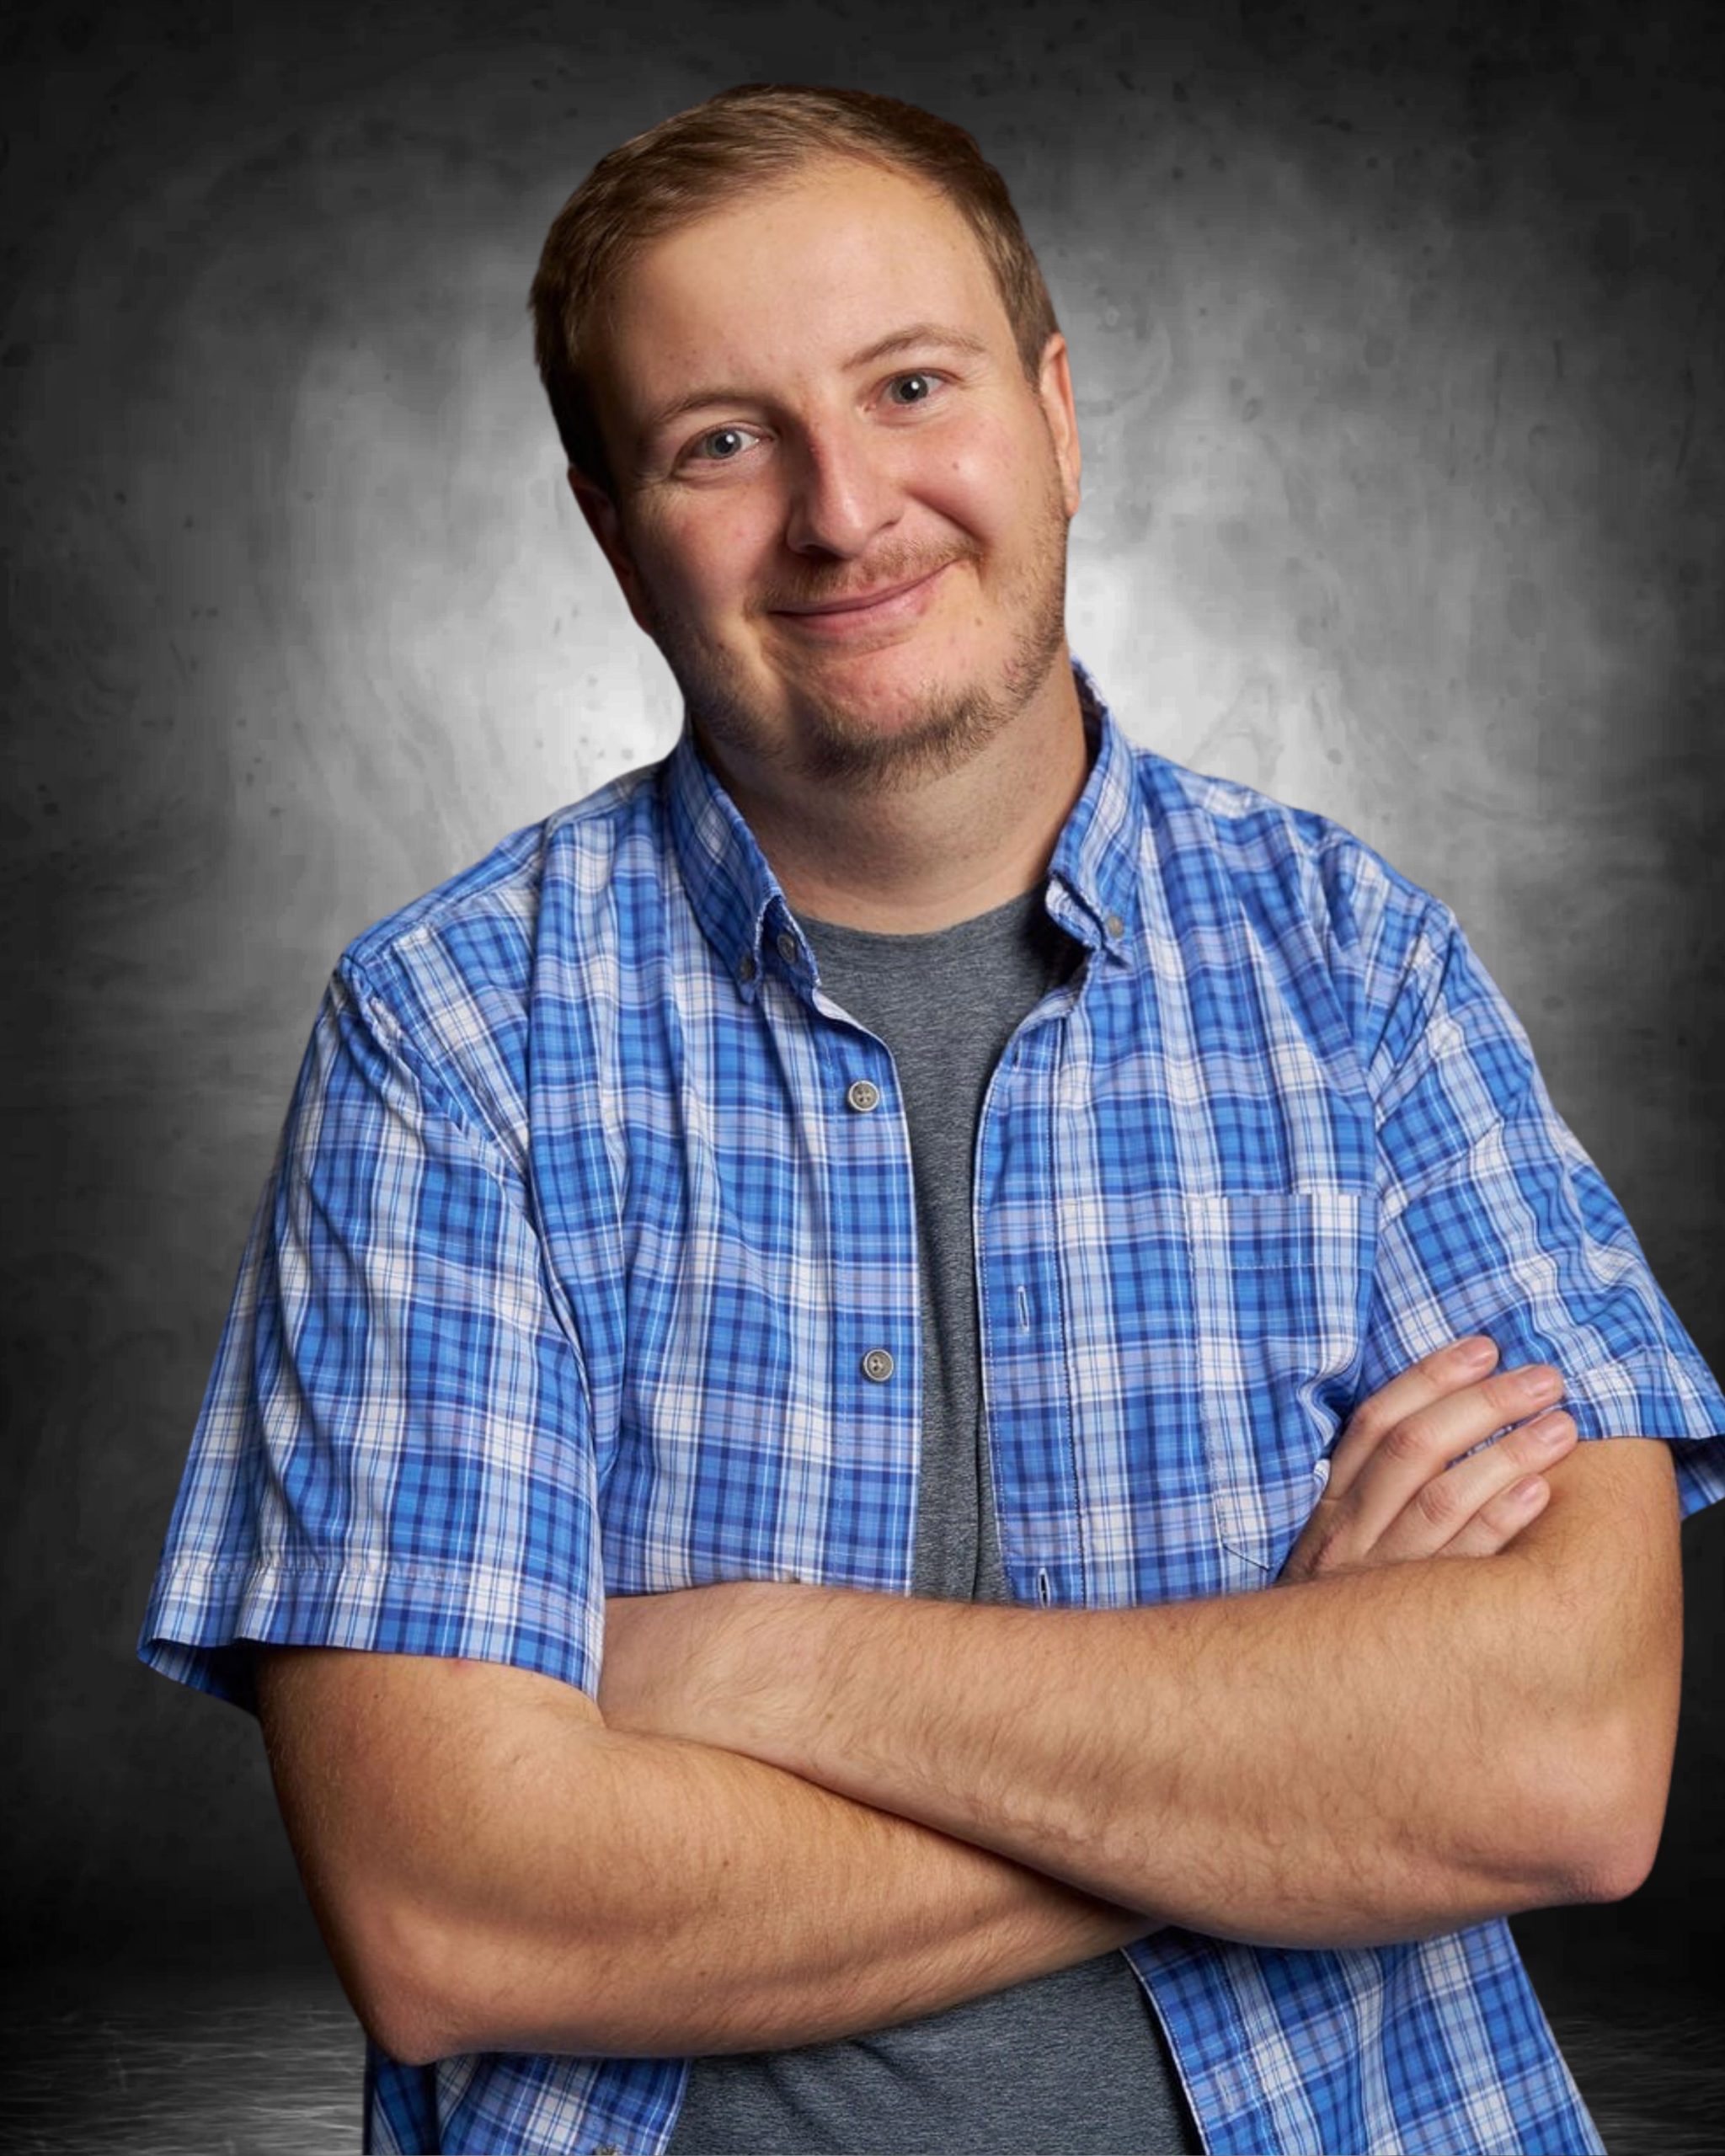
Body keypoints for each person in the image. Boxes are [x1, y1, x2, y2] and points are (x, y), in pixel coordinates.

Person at [138, 83, 1725, 2156]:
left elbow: (1569, 1766)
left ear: (1054, 417)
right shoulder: (449, 1041)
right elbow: (454, 1912)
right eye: (722, 440)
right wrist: (1294, 1740)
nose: (842, 510)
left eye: (909, 385)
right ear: (614, 535)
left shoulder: (1361, 971)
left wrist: (754, 1665)